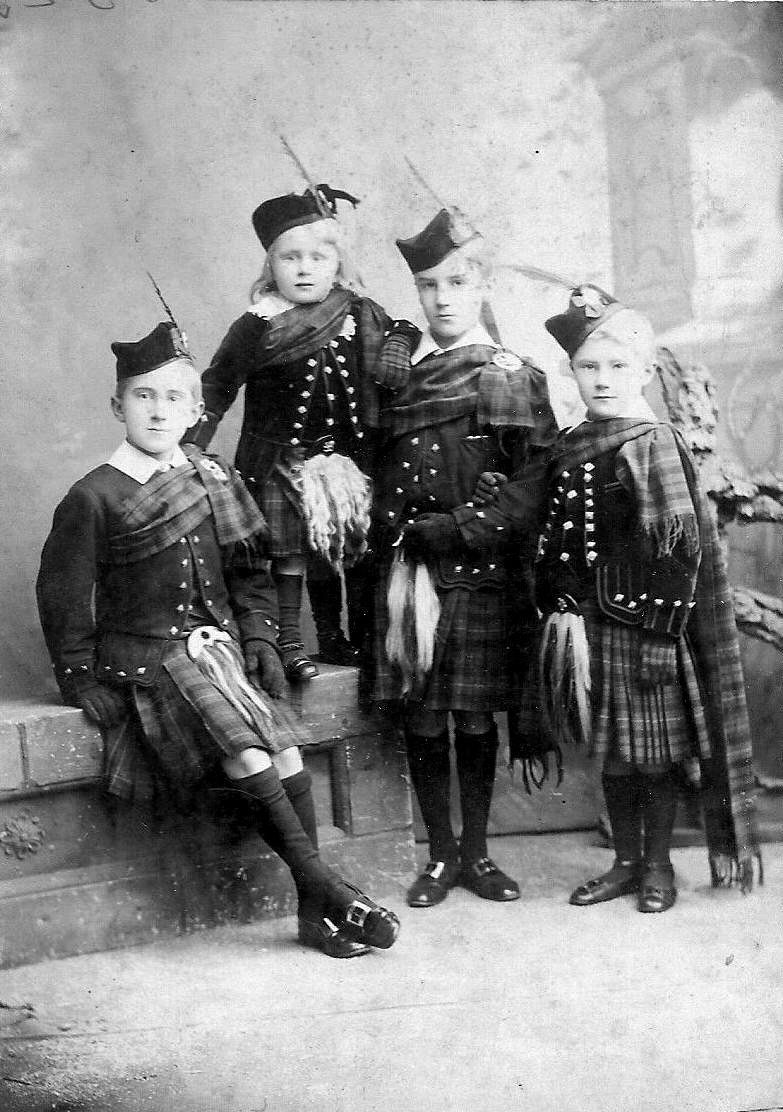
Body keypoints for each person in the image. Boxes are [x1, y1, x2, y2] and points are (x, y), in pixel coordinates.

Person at [36, 319, 400, 958]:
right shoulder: (95, 495)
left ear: (196, 410)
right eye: (143, 396)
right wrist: (78, 676)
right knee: (252, 757)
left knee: (287, 755)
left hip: (219, 654)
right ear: (117, 406)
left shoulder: (215, 477)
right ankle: (335, 894)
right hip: (150, 659)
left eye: (173, 398)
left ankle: (314, 911)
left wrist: (259, 638)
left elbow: (250, 570)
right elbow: (62, 594)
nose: (158, 411)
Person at [510, 284, 762, 912]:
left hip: (641, 627)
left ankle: (657, 866)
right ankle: (624, 862)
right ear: (572, 372)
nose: (602, 379)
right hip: (587, 627)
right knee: (616, 758)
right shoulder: (571, 444)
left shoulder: (650, 441)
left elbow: (678, 549)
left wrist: (658, 637)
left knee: (653, 757)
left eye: (617, 365)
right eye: (588, 366)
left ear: (645, 372)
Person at [367, 208, 558, 909]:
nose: (442, 298)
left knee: (474, 718)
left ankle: (476, 854)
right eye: (428, 285)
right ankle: (440, 858)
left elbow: (534, 483)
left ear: (483, 284)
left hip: (479, 572)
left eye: (457, 282)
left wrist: (459, 527)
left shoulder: (512, 375)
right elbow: (368, 463)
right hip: (409, 576)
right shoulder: (394, 376)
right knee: (422, 717)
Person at [184, 185, 391, 682]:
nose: (304, 269)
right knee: (291, 554)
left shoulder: (357, 313)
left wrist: (402, 338)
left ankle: (339, 637)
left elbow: (397, 344)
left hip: (345, 462)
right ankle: (291, 641)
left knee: (340, 547)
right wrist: (188, 447)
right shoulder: (258, 324)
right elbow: (217, 385)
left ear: (337, 263)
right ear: (270, 265)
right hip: (280, 460)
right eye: (290, 257)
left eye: (318, 257)